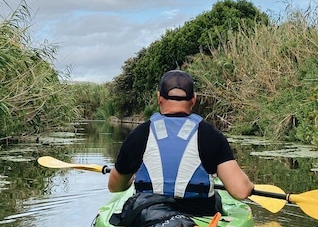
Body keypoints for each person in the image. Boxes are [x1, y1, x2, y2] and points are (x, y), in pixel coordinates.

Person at [108, 70, 254, 219]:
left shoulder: (139, 134)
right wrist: (250, 186)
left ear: (159, 98)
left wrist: (131, 180)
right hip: (199, 219)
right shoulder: (210, 135)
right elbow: (241, 191)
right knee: (216, 196)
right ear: (194, 99)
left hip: (148, 216)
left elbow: (114, 187)